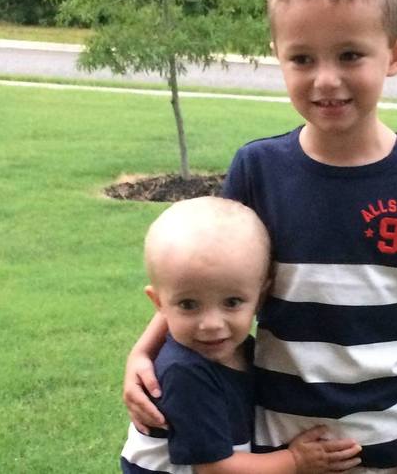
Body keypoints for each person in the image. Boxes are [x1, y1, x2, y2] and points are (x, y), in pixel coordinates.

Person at [123, 0, 397, 474]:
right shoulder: (259, 169)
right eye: (302, 58)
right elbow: (206, 274)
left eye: (349, 55)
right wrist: (143, 351)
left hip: (388, 441)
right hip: (277, 437)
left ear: (395, 54)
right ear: (278, 56)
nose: (326, 79)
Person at [121, 197, 362, 473]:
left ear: (261, 297)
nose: (211, 324)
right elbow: (215, 469)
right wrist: (295, 460)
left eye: (232, 302)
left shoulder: (246, 350)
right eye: (188, 304)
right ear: (158, 303)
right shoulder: (186, 373)